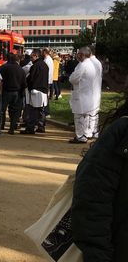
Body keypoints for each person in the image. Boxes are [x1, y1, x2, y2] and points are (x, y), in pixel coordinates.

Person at [71, 55, 128, 261]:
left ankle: (82, 134)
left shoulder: (84, 65)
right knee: (85, 120)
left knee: (84, 120)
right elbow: (92, 198)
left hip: (85, 96)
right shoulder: (121, 134)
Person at [68, 47, 98, 143]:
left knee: (79, 117)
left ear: (83, 55)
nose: (78, 55)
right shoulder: (91, 64)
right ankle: (84, 134)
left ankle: (80, 136)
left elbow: (73, 78)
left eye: (79, 54)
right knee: (85, 117)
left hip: (81, 94)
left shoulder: (83, 65)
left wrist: (71, 77)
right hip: (87, 94)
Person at [22, 50, 49, 135]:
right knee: (41, 109)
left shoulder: (35, 66)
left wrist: (27, 85)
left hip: (35, 90)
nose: (31, 58)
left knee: (33, 110)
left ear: (36, 56)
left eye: (31, 57)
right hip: (43, 89)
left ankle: (30, 128)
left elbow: (31, 78)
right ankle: (41, 126)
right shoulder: (45, 65)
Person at [0, 53, 26, 135]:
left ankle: (0, 126)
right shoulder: (21, 70)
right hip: (17, 92)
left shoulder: (3, 68)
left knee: (1, 110)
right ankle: (12, 128)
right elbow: (24, 83)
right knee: (15, 111)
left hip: (5, 91)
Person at [88, 46, 103, 138]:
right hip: (96, 89)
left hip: (91, 90)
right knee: (94, 111)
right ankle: (94, 130)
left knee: (90, 112)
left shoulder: (91, 62)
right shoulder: (97, 62)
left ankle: (91, 131)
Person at [43, 48, 54, 118]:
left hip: (46, 80)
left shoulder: (47, 60)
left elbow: (46, 71)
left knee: (45, 96)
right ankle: (46, 112)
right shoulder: (49, 59)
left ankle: (46, 112)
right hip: (49, 80)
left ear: (44, 52)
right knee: (45, 96)